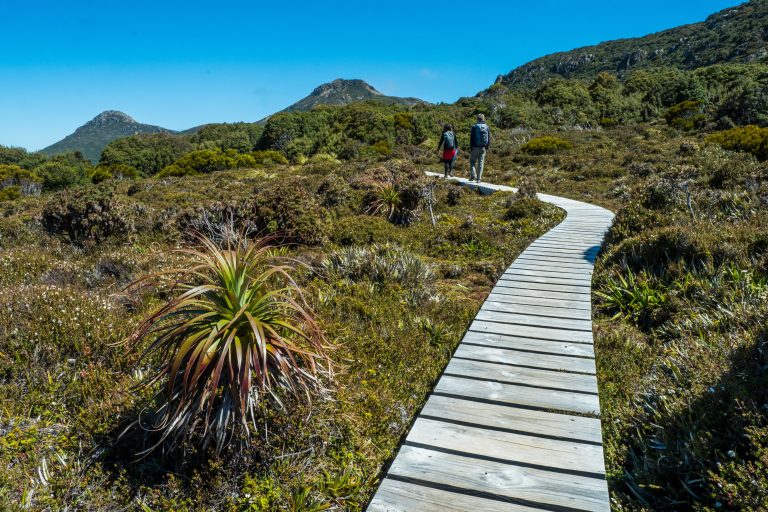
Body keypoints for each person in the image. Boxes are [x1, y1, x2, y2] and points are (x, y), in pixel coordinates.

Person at [469, 113, 491, 183]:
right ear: (483, 118)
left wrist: (471, 147)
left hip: (475, 147)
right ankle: (479, 179)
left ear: (477, 119)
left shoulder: (474, 126)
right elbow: (489, 138)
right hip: (483, 147)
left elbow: (471, 138)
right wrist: (487, 147)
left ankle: (473, 174)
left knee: (472, 162)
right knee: (481, 163)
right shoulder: (487, 127)